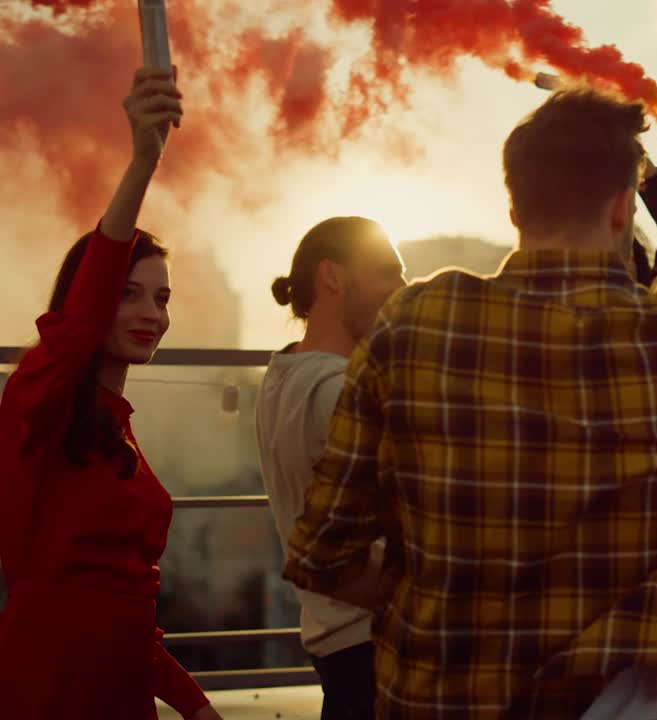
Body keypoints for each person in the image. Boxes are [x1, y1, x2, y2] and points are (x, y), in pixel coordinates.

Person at [282, 87, 657, 718]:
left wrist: (437, 592)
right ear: (622, 210)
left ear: (514, 207)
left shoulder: (415, 324)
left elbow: (323, 553)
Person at [0, 68, 220, 720]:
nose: (150, 312)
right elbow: (77, 328)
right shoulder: (39, 403)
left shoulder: (117, 430)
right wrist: (143, 163)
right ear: (92, 299)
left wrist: (197, 706)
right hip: (50, 689)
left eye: (161, 297)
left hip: (121, 694)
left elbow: (128, 615)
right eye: (127, 293)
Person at [256, 216, 405, 719]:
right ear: (333, 277)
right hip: (378, 647)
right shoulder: (342, 390)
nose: (400, 289)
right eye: (387, 271)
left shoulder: (283, 375)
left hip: (335, 649)